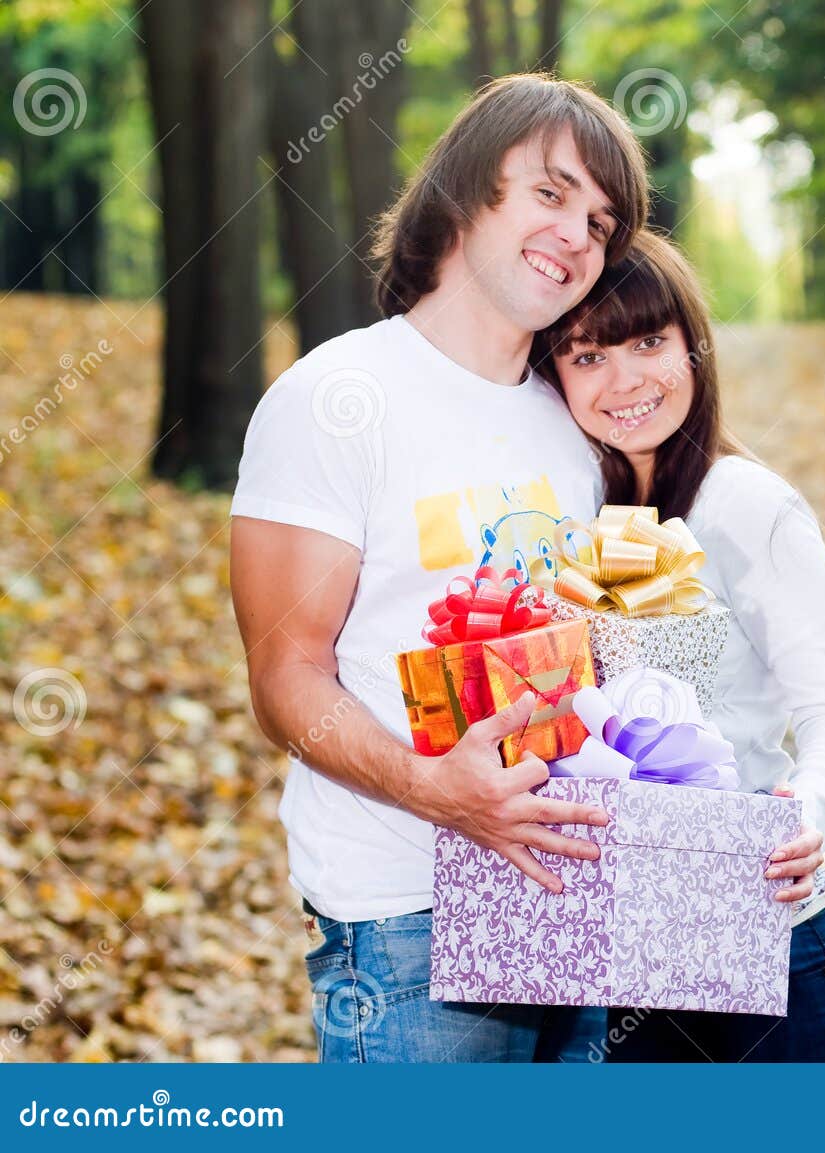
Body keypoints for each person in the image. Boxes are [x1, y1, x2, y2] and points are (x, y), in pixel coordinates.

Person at [230, 76, 671, 1062]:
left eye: (600, 222)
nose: (576, 236)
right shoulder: (337, 396)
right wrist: (436, 789)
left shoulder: (571, 420)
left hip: (567, 890)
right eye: (550, 194)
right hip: (406, 918)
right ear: (469, 191)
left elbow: (605, 653)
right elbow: (281, 675)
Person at [531, 232, 825, 1062]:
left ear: (694, 346)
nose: (627, 380)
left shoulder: (748, 504)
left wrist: (804, 818)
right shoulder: (587, 512)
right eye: (588, 356)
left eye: (650, 342)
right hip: (641, 954)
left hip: (776, 945)